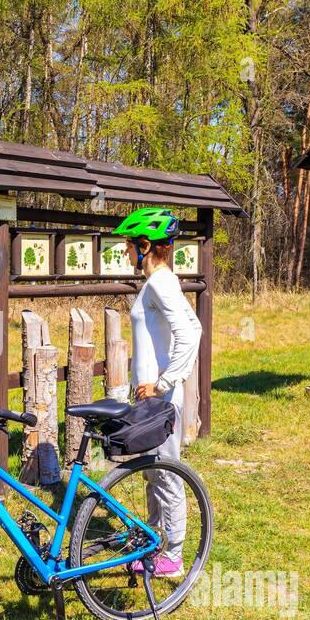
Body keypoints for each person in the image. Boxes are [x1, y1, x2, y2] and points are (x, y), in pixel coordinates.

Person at [110, 206, 203, 579]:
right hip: (153, 399)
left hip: (160, 400)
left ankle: (174, 555)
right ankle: (151, 541)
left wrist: (164, 382)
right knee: (152, 473)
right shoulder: (161, 282)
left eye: (129, 245)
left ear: (146, 246)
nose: (125, 252)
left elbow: (190, 334)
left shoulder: (161, 283)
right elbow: (193, 323)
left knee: (166, 475)